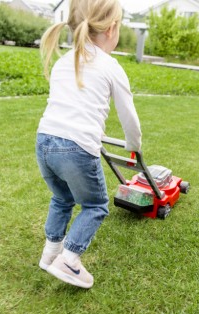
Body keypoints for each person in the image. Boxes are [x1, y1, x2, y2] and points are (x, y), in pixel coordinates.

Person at [36, 0, 142, 289]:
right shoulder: (110, 66)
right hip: (76, 148)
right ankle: (69, 260)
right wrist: (134, 144)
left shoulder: (62, 62)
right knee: (95, 204)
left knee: (61, 198)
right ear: (111, 29)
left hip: (44, 142)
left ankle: (50, 255)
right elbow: (128, 115)